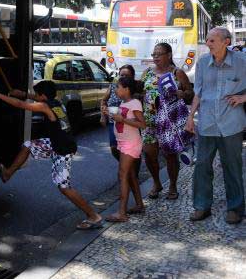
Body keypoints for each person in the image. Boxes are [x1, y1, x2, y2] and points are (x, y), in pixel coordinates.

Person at [0, 81, 104, 230]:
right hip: (57, 142)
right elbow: (35, 98)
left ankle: (94, 216)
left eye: (37, 95)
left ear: (42, 96)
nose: (34, 97)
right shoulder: (57, 102)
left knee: (64, 187)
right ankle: (8, 173)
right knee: (28, 145)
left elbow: (21, 105)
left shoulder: (45, 106)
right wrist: (23, 94)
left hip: (63, 149)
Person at [185, 27, 246, 224]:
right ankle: (202, 206)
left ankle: (235, 209)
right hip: (207, 123)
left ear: (226, 42)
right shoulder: (203, 62)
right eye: (208, 40)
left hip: (231, 124)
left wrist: (243, 97)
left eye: (212, 40)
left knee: (232, 167)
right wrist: (190, 117)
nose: (207, 44)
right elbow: (198, 93)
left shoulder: (242, 62)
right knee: (202, 165)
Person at [140, 42, 193, 200]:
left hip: (170, 121)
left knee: (170, 155)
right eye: (153, 54)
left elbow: (190, 92)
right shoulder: (147, 73)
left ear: (169, 55)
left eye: (159, 54)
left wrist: (181, 93)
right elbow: (140, 92)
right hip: (150, 121)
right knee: (149, 154)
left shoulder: (177, 72)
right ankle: (157, 183)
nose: (155, 57)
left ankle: (172, 185)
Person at [106, 77, 146, 222]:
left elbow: (142, 124)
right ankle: (139, 204)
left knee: (122, 175)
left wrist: (122, 120)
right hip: (123, 143)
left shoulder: (135, 103)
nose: (116, 90)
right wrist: (111, 115)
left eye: (118, 87)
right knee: (129, 175)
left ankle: (121, 213)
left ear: (126, 89)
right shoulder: (124, 103)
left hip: (130, 144)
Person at [100, 65, 140, 177]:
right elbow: (103, 100)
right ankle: (126, 166)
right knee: (114, 148)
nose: (123, 77)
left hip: (130, 124)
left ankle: (132, 173)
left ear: (132, 76)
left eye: (127, 75)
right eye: (121, 75)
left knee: (132, 151)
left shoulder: (136, 88)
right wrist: (102, 116)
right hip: (114, 123)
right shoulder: (113, 86)